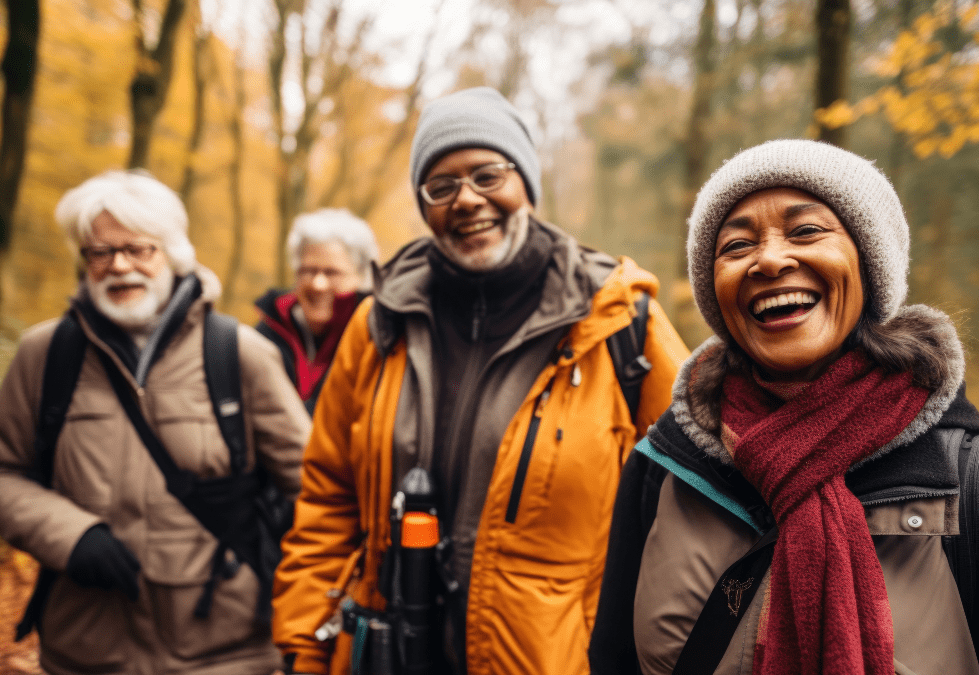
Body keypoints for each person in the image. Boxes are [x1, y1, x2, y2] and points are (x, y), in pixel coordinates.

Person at [588, 139, 979, 675]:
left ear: (869, 263)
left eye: (806, 231)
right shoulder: (664, 468)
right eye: (736, 246)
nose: (769, 259)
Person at [272, 86, 690, 675]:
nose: (466, 200)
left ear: (526, 181)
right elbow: (327, 498)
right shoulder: (379, 321)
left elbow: (696, 504)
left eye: (488, 175)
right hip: (389, 654)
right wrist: (304, 648)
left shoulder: (620, 321)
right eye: (441, 186)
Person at [0, 170, 312, 675]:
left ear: (172, 254)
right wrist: (72, 536)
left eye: (139, 249)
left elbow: (315, 488)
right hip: (86, 651)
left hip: (226, 653)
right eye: (100, 253)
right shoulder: (47, 354)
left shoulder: (238, 354)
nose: (119, 266)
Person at [255, 209, 380, 414]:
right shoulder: (265, 334)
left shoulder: (376, 339)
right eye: (308, 270)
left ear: (361, 277)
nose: (318, 284)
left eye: (332, 273)